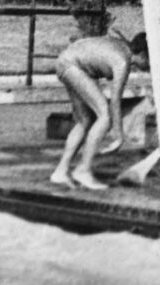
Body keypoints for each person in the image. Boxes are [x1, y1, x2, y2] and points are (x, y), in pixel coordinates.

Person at [49, 23, 149, 190]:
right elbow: (115, 100)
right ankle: (83, 170)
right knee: (105, 115)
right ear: (144, 55)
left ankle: (61, 171)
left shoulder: (122, 47)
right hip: (72, 66)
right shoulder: (123, 62)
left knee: (85, 120)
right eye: (151, 61)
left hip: (65, 62)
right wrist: (119, 135)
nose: (150, 67)